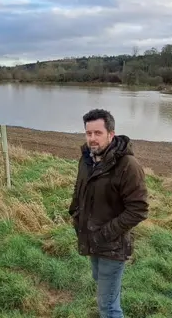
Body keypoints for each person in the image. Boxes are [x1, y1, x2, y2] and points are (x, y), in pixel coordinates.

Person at [68, 109, 149, 318]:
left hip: (111, 245)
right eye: (88, 133)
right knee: (99, 280)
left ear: (111, 134)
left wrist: (105, 233)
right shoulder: (87, 159)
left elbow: (138, 209)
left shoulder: (128, 166)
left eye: (98, 133)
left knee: (108, 307)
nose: (92, 139)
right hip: (91, 239)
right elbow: (80, 191)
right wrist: (75, 215)